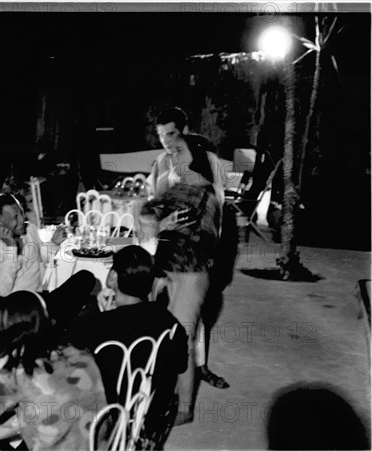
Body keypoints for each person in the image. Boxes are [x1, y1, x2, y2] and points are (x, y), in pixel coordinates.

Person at [142, 107, 227, 424]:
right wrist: (161, 223)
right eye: (162, 136)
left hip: (191, 262)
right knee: (166, 331)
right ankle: (166, 388)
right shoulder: (162, 164)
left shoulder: (208, 164)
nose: (166, 143)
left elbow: (214, 213)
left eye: (173, 135)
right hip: (164, 259)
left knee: (186, 333)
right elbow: (151, 211)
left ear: (186, 131)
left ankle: (186, 395)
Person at [65, 245, 187, 445]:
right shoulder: (171, 324)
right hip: (149, 416)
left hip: (105, 418)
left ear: (113, 277)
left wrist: (98, 313)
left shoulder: (95, 326)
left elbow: (70, 364)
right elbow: (179, 366)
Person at [0, 290, 107, 451]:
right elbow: (49, 402)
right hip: (101, 444)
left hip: (59, 442)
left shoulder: (16, 372)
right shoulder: (78, 352)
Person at [0, 193, 96, 338]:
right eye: (15, 217)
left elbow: (40, 257)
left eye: (22, 213)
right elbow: (2, 289)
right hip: (11, 310)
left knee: (85, 278)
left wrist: (54, 243)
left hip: (37, 299)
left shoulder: (29, 230)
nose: (22, 220)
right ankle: (47, 330)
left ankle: (47, 328)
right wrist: (11, 249)